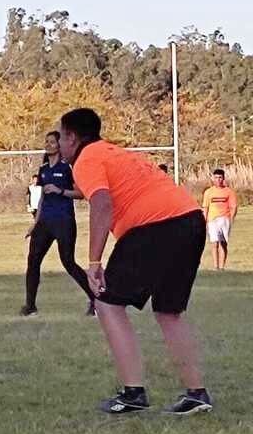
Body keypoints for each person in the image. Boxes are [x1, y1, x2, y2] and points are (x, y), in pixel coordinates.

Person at [59, 107, 211, 415]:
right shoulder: (116, 153)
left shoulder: (86, 159)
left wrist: (93, 261)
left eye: (61, 137)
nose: (59, 143)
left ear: (72, 138)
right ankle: (196, 394)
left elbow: (102, 204)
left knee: (107, 302)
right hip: (190, 219)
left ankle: (133, 394)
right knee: (169, 311)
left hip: (156, 225)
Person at [21, 132, 95, 317]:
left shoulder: (68, 168)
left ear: (59, 146)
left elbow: (81, 193)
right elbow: (42, 199)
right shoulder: (44, 169)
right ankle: (30, 307)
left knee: (68, 262)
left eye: (52, 142)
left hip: (63, 221)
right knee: (33, 261)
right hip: (45, 222)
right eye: (46, 141)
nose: (48, 144)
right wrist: (35, 223)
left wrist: (60, 190)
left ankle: (95, 299)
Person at [202, 169, 237, 271]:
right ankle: (216, 266)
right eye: (216, 177)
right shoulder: (208, 192)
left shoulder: (229, 191)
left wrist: (231, 219)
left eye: (220, 177)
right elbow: (205, 207)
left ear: (223, 178)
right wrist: (204, 220)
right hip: (212, 220)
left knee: (223, 243)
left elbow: (233, 207)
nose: (218, 180)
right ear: (213, 178)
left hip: (224, 219)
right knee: (214, 242)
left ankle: (222, 267)